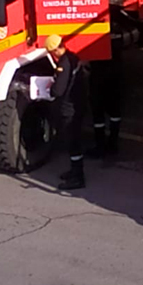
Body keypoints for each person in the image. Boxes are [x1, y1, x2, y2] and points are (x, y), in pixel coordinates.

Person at [45, 34, 89, 191]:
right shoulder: (73, 58)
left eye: (52, 52)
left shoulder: (64, 63)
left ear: (57, 49)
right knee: (73, 141)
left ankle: (78, 177)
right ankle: (74, 171)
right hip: (78, 104)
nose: (52, 55)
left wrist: (50, 89)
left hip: (70, 108)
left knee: (73, 142)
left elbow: (58, 90)